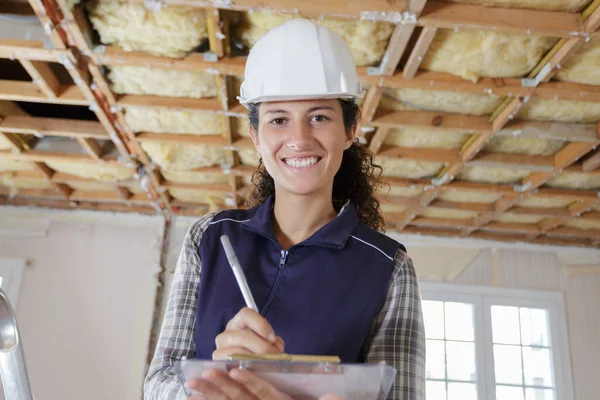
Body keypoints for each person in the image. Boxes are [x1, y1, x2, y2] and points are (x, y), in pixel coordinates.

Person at [144, 18, 425, 400]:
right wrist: (210, 384)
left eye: (319, 116)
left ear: (349, 129)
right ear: (256, 136)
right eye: (278, 119)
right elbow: (157, 384)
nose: (299, 139)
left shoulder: (388, 267)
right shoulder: (210, 238)